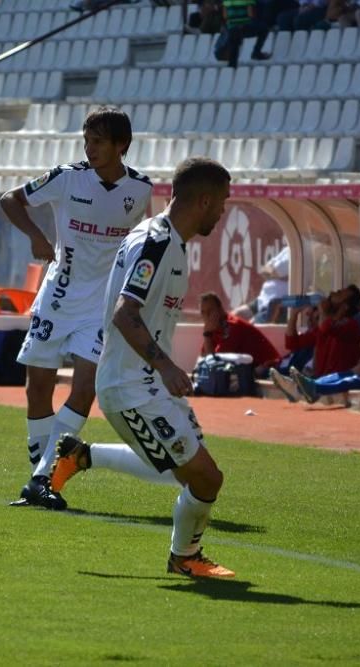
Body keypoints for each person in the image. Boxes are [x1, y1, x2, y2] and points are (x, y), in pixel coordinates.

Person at [49, 157, 236, 578]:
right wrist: (166, 365)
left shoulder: (168, 240)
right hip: (130, 387)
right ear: (203, 200)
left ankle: (82, 457)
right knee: (204, 479)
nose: (223, 212)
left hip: (149, 386)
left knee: (188, 474)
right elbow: (124, 312)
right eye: (222, 202)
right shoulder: (156, 242)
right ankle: (184, 558)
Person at [0, 106, 152, 509]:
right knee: (38, 390)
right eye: (86, 140)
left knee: (84, 388)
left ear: (122, 146)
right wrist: (36, 237)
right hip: (58, 295)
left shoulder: (140, 190)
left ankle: (40, 478)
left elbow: (144, 241)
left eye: (98, 141)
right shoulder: (67, 177)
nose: (89, 148)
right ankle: (41, 476)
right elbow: (10, 200)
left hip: (100, 305)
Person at [199, 292, 281, 378]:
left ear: (220, 309)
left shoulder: (233, 326)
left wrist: (207, 334)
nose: (206, 315)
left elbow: (213, 362)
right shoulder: (213, 328)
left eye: (210, 311)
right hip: (251, 370)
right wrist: (207, 334)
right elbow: (204, 358)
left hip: (270, 369)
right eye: (203, 312)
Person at [215, 0, 272, 68]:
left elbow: (225, 16)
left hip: (232, 28)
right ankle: (256, 52)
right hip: (243, 26)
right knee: (264, 29)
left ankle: (232, 65)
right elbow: (250, 14)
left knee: (234, 42)